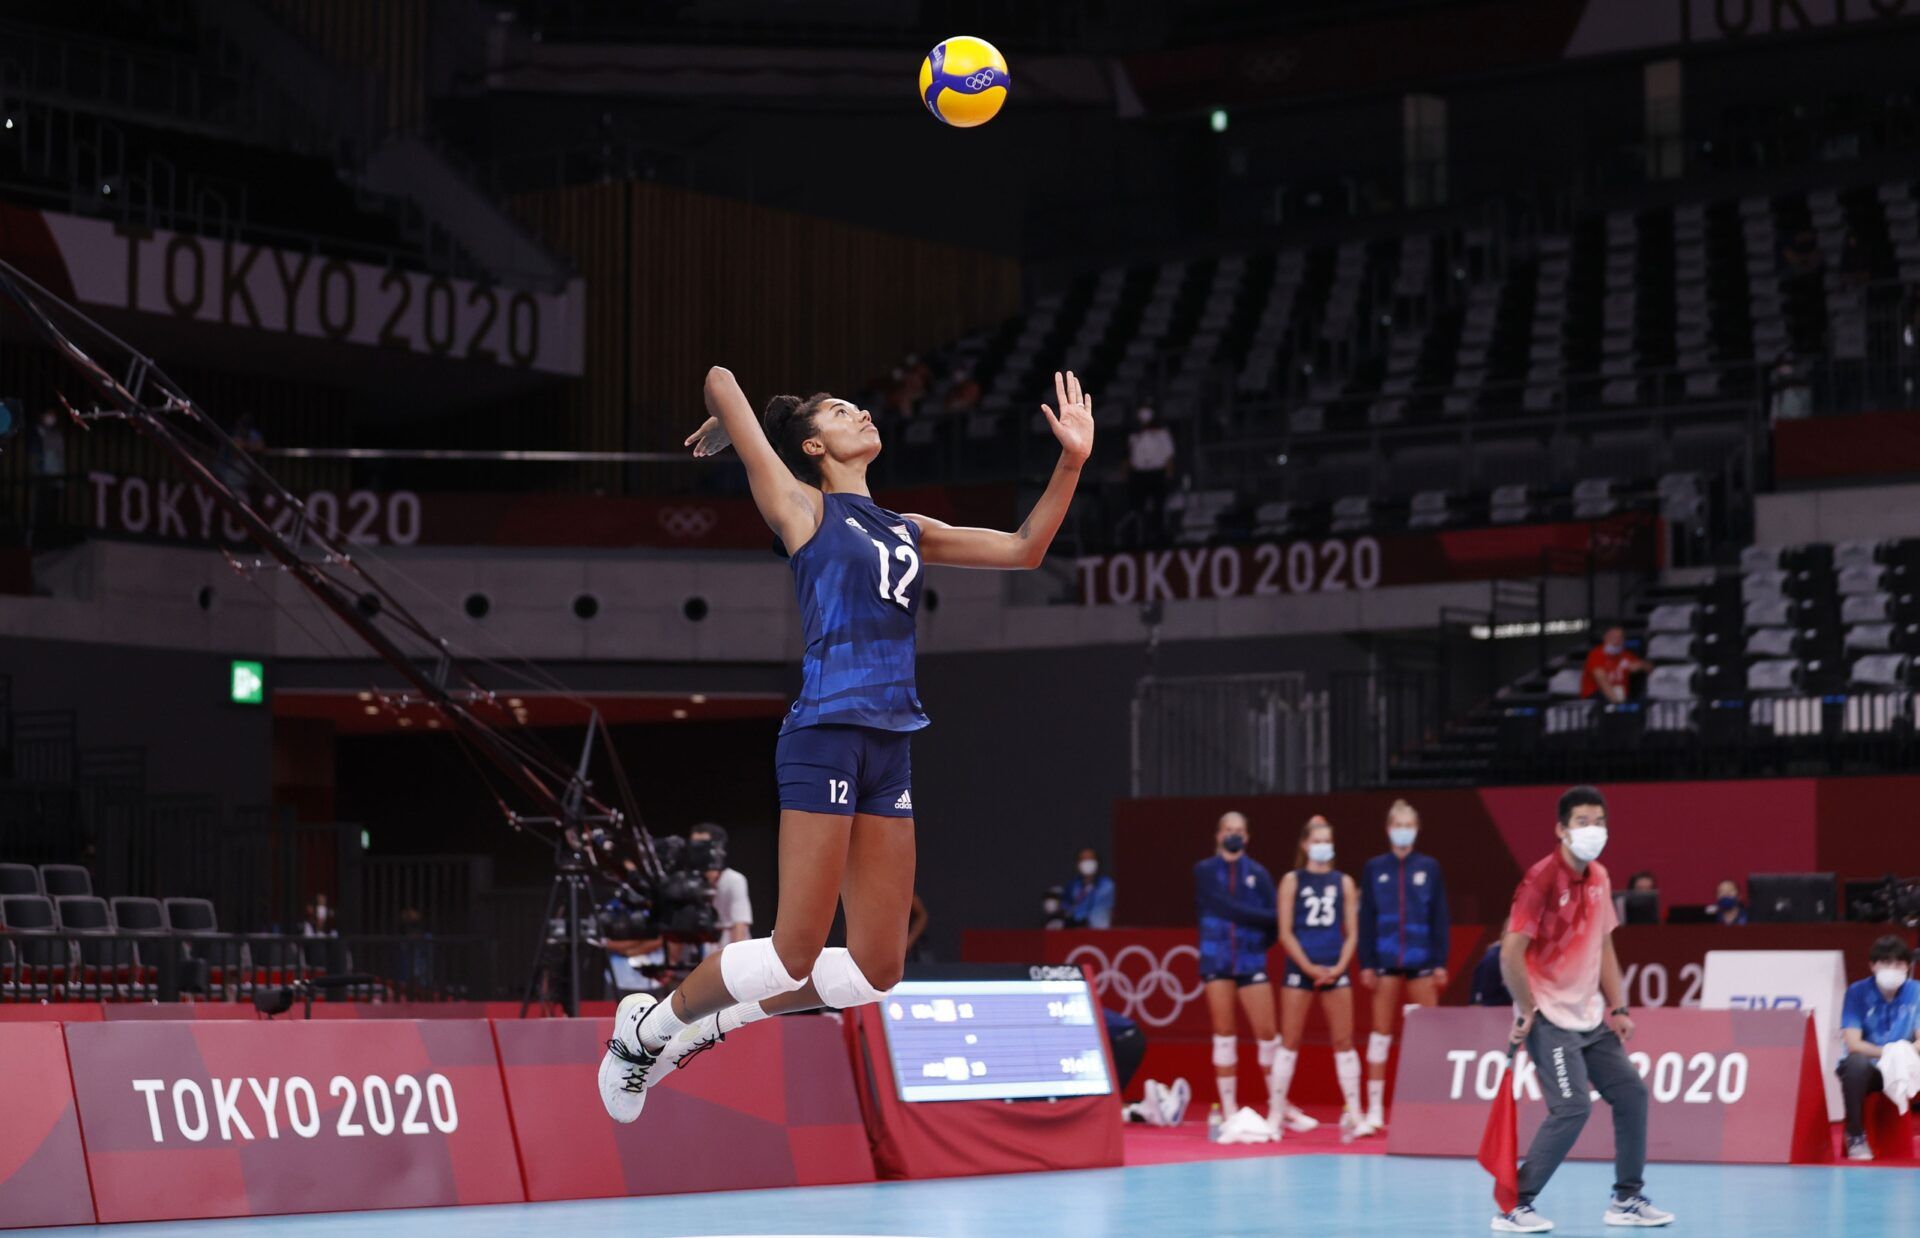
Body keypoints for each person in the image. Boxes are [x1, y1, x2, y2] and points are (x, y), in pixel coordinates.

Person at [595, 365, 1094, 1123]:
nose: (861, 410)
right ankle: (646, 1032)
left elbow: (1025, 548)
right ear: (814, 446)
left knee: (878, 969)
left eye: (857, 405)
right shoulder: (801, 508)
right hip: (825, 732)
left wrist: (1071, 461)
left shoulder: (906, 527)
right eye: (839, 410)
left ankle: (711, 1026)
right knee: (794, 948)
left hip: (890, 745)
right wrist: (743, 426)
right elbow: (721, 378)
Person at [1493, 785, 1672, 1233]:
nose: (1592, 830)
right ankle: (1516, 1204)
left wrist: (1620, 1005)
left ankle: (1626, 1199)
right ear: (1561, 829)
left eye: (1598, 822)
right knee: (1572, 1106)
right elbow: (1510, 952)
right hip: (1549, 1016)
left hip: (1590, 1016)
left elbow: (1604, 944)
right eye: (1581, 822)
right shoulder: (1540, 879)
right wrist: (1525, 1008)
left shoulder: (1600, 878)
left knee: (1631, 1092)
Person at [1193, 811, 1314, 1134]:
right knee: (1224, 1035)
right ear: (1218, 834)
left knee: (1267, 1035)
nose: (1233, 835)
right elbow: (1223, 907)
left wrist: (1260, 934)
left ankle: (1279, 1105)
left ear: (1247, 837)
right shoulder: (1204, 871)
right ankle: (1230, 1108)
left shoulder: (1258, 874)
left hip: (1250, 961)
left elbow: (1276, 921)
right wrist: (1261, 917)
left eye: (1239, 831)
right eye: (1228, 829)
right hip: (1216, 961)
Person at [1271, 815, 1375, 1141]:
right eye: (1316, 841)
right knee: (1289, 1041)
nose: (1321, 846)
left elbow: (1352, 933)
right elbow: (1285, 933)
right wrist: (1308, 967)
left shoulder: (1342, 882)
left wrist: (1340, 965)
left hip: (1335, 966)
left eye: (1326, 841)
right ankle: (1275, 1114)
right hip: (1300, 967)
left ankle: (1355, 1114)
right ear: (1305, 845)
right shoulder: (1292, 880)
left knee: (1344, 1041)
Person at [1357, 799, 1450, 1131]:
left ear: (1417, 829)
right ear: (1388, 829)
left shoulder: (1429, 867)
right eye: (1397, 824)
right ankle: (1374, 1111)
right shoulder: (1374, 868)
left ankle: (1432, 1106)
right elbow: (1365, 917)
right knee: (1380, 1034)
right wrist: (1366, 962)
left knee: (1430, 1037)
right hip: (1383, 960)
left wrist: (1439, 961)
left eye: (1408, 824)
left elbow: (1440, 917)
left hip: (1422, 960)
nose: (1403, 830)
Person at [1836, 935, 1920, 1160]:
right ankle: (1856, 1136)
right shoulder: (1856, 992)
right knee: (1855, 1065)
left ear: (1907, 966)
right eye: (1885, 963)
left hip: (1906, 1067)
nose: (1892, 969)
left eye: (1898, 963)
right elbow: (1853, 1043)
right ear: (1872, 965)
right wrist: (1891, 1052)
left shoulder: (1917, 991)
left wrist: (1902, 1054)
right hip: (1871, 1069)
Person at [690, 824, 752, 945]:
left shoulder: (734, 880)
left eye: (702, 846)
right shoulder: (690, 881)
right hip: (703, 947)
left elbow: (739, 925)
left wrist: (734, 960)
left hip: (729, 946)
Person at [1126, 405, 1176, 545]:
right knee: (1138, 508)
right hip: (1139, 475)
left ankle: (1159, 537)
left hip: (1157, 475)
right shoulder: (1134, 437)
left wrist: (1169, 475)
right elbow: (1130, 458)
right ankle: (1139, 537)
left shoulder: (1162, 434)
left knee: (1158, 507)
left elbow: (1168, 456)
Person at [1578, 627, 1648, 704]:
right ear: (1605, 638)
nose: (1616, 640)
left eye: (1620, 637)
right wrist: (1617, 703)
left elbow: (1650, 667)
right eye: (1613, 637)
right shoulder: (1596, 654)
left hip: (1622, 694)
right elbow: (1601, 680)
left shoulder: (1626, 655)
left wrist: (1642, 665)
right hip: (1597, 697)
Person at [1065, 848, 1117, 928]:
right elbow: (1066, 907)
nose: (1087, 863)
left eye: (1090, 859)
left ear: (1097, 863)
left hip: (1100, 931)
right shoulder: (1073, 886)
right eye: (1083, 860)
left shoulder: (1107, 885)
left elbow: (1091, 905)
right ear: (1078, 864)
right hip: (1076, 932)